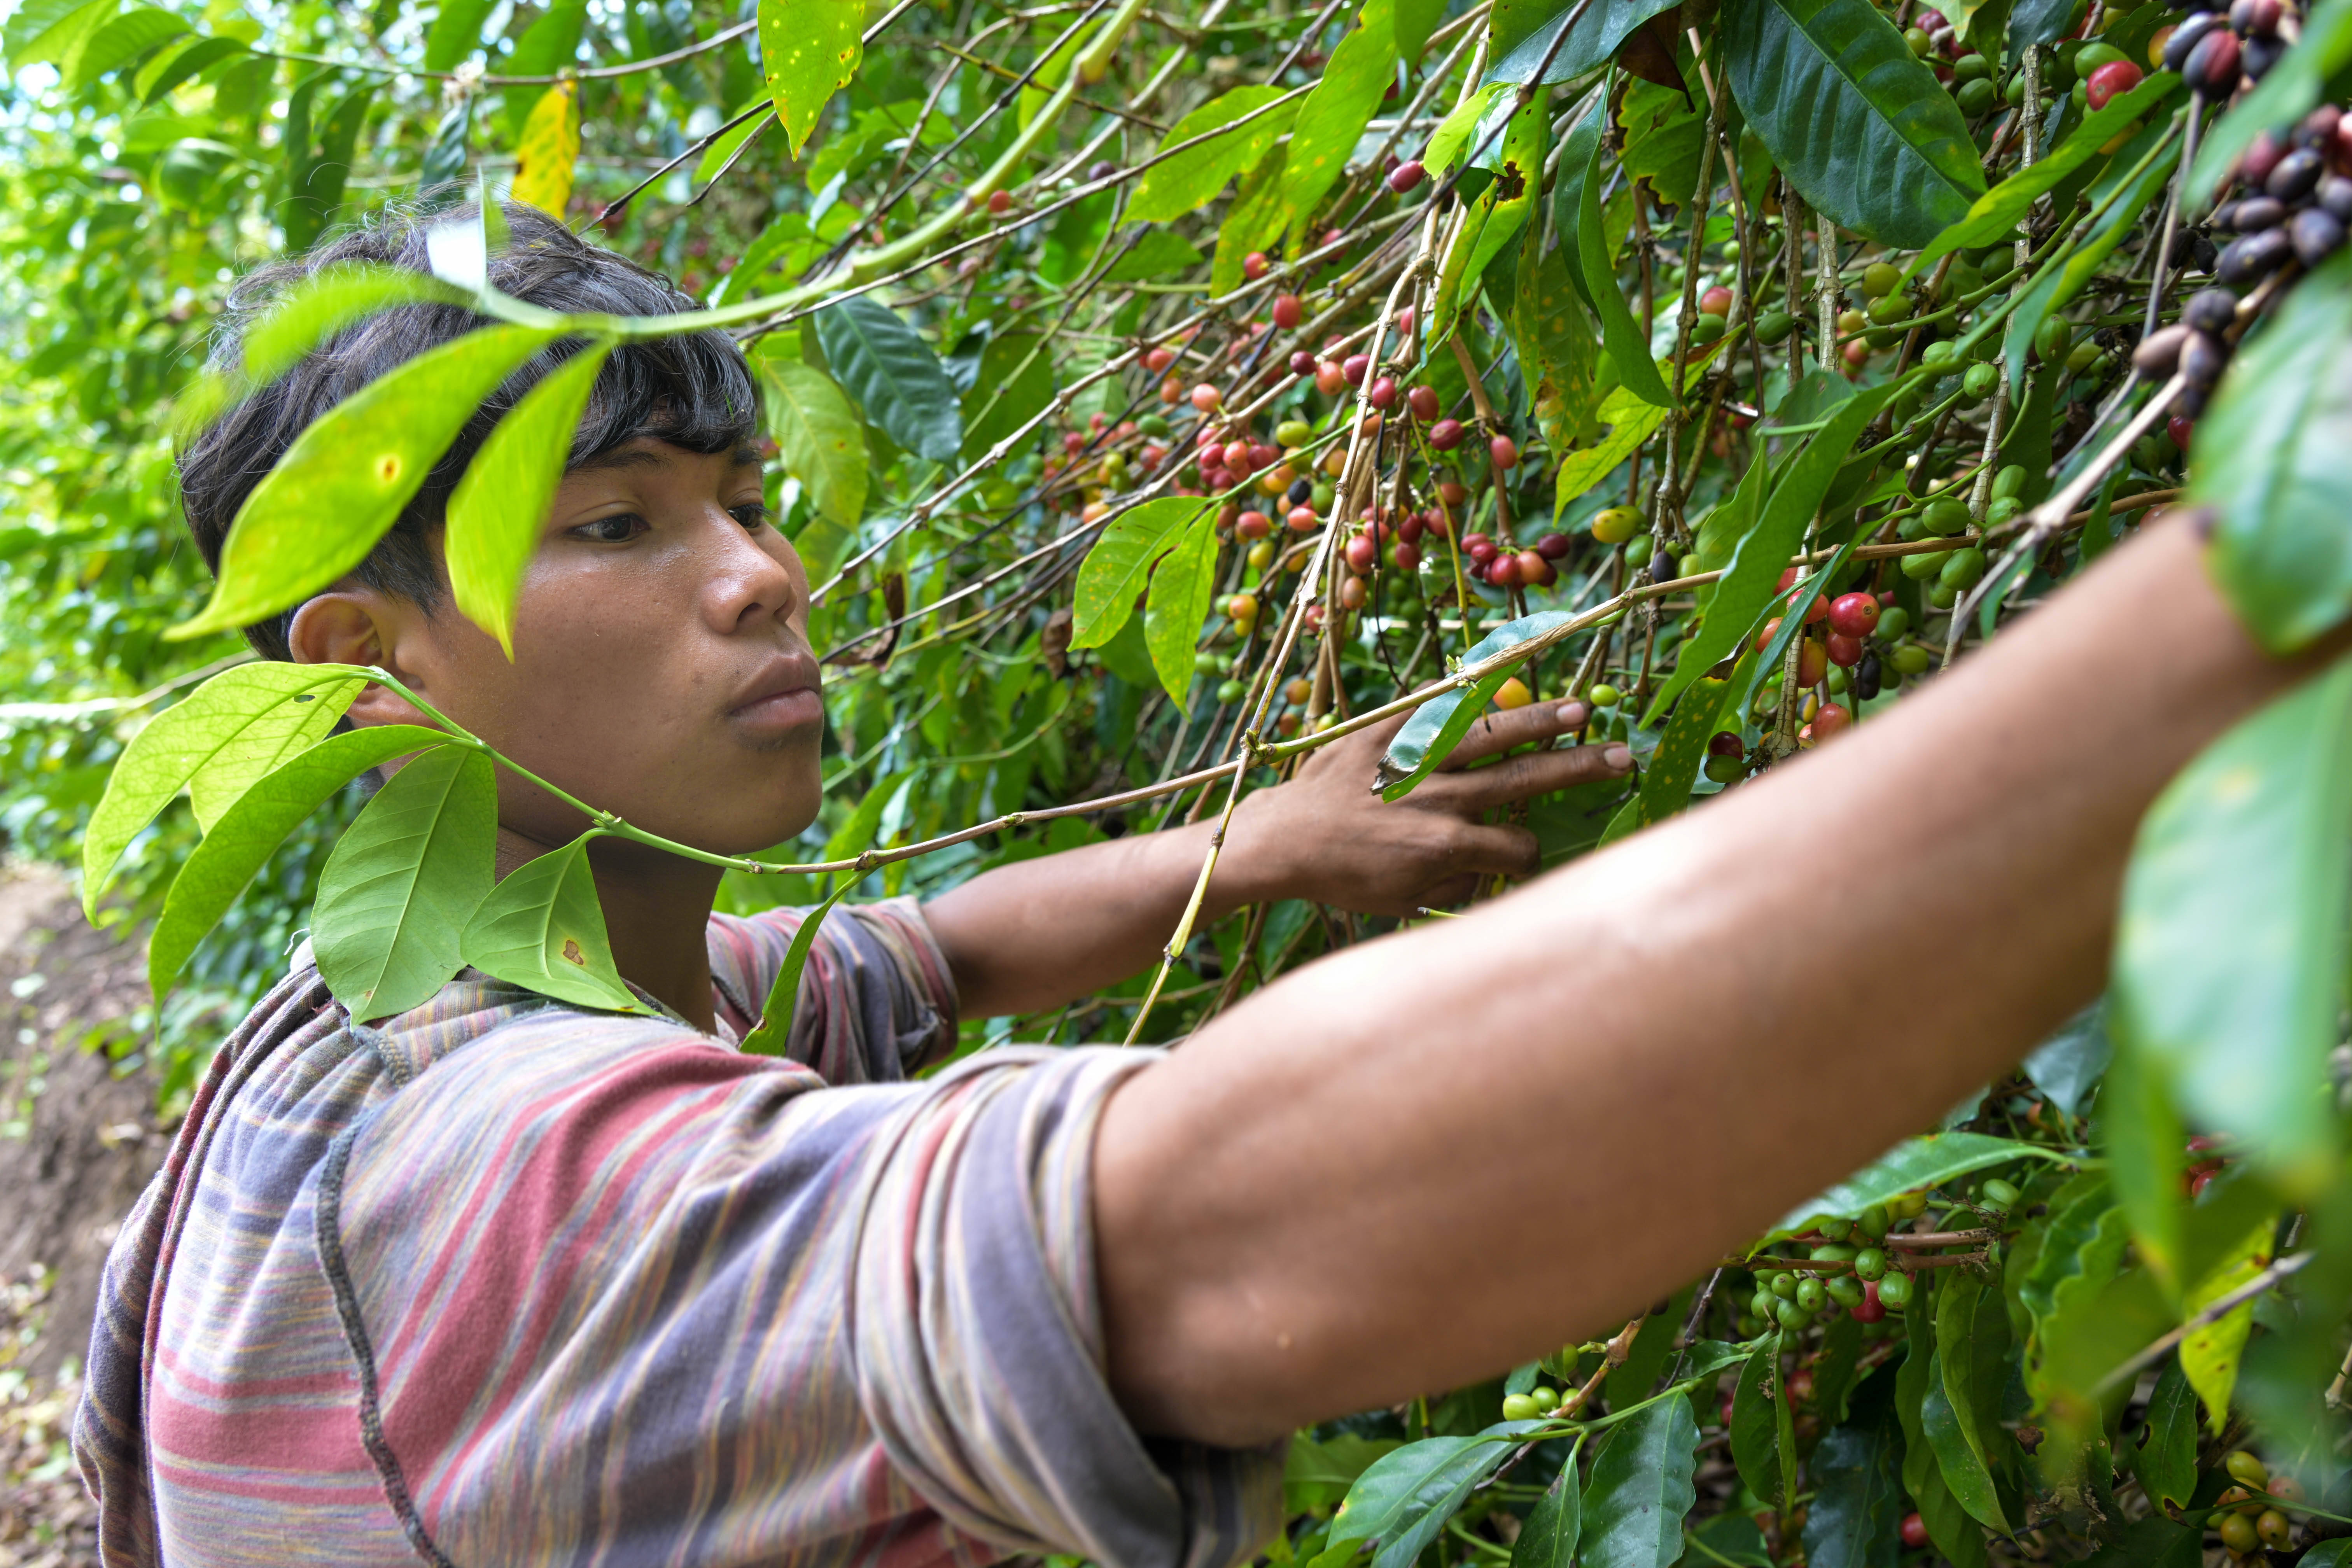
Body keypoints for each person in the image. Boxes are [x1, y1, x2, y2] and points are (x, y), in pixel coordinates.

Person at [72, 203, 2323, 1567]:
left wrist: (1258, 853)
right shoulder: (494, 1187)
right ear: (365, 671)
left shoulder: (458, 1011)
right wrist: (2259, 589)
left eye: (747, 496)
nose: (761, 578)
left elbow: (910, 952)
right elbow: (1218, 1241)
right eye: (617, 526)